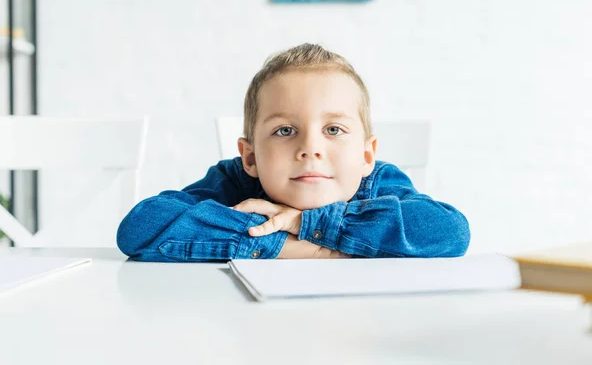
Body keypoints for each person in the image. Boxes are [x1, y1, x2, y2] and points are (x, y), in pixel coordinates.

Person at [117, 43, 470, 262]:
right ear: (251, 157)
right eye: (285, 131)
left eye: (333, 130)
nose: (310, 149)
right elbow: (140, 228)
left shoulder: (379, 181)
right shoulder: (234, 179)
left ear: (366, 156)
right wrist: (303, 248)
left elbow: (450, 232)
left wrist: (301, 222)